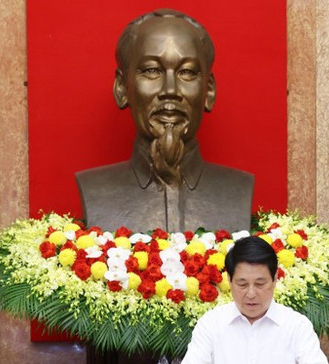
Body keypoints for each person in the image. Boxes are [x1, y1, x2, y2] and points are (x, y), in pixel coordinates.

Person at [76, 9, 254, 234]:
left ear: (208, 91)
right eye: (152, 70)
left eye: (187, 72)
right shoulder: (95, 189)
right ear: (122, 88)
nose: (170, 90)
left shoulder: (239, 189)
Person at [179, 236, 329, 364]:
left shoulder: (296, 325)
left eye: (260, 284)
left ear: (275, 279)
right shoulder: (211, 323)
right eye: (242, 284)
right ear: (229, 280)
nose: (251, 293)